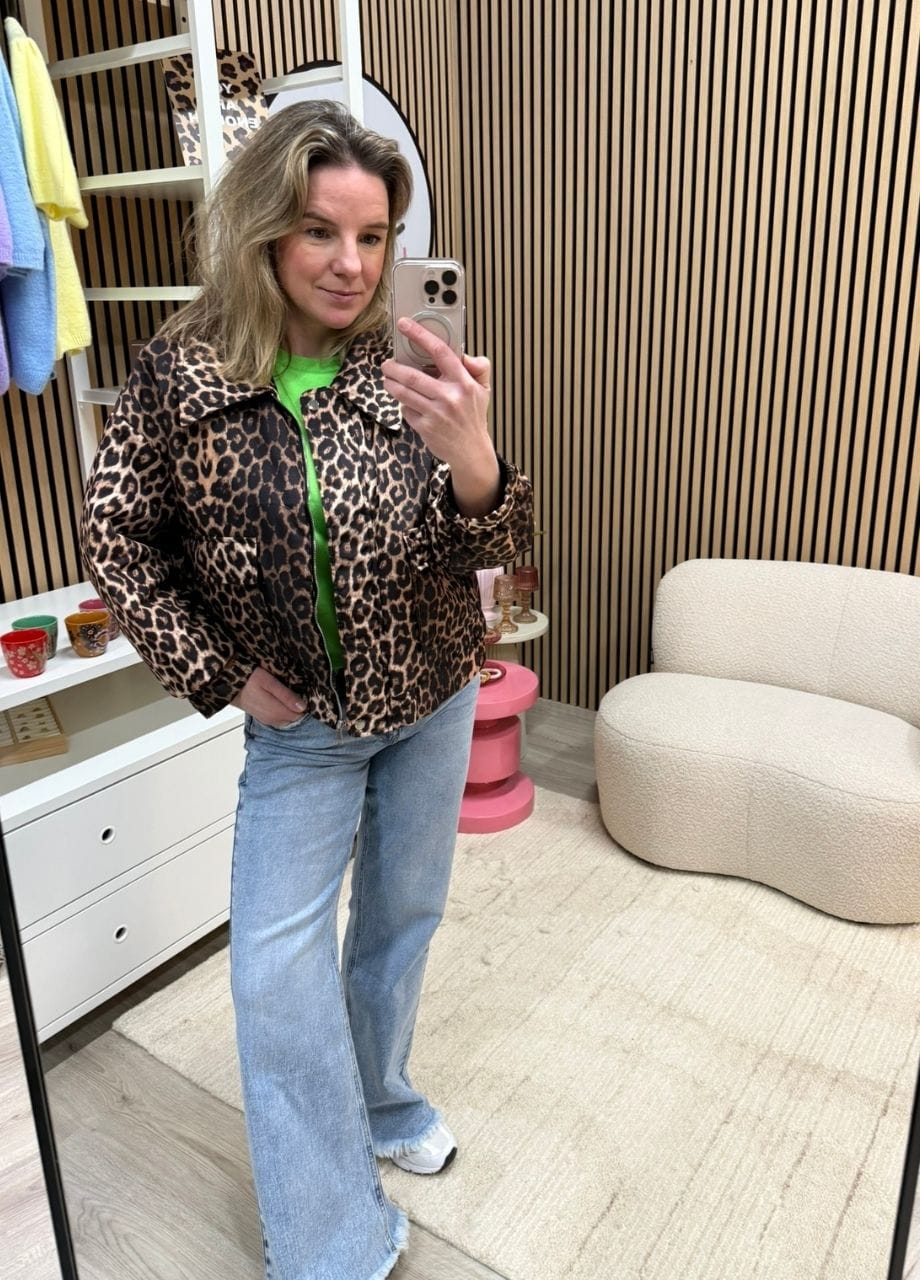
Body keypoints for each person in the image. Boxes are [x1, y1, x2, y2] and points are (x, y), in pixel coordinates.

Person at [80, 100, 534, 1280]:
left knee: (399, 918)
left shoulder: (410, 358)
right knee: (274, 974)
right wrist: (221, 670)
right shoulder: (183, 368)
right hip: (304, 728)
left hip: (434, 690)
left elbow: (500, 543)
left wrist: (476, 459)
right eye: (320, 231)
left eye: (373, 236)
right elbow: (118, 538)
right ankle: (332, 1240)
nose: (351, 264)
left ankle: (382, 1100)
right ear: (264, 229)